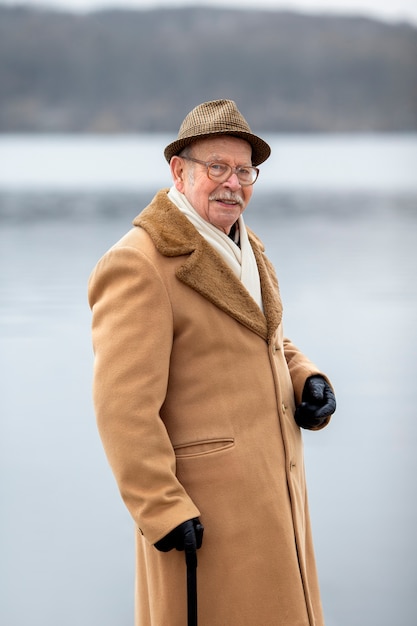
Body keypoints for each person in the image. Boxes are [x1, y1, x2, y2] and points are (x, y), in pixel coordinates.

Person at [88, 99, 336, 626]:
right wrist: (162, 510)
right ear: (179, 172)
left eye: (244, 170)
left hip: (274, 500)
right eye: (216, 167)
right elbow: (122, 408)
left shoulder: (247, 244)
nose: (232, 183)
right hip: (203, 519)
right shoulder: (139, 263)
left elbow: (270, 338)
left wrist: (306, 377)